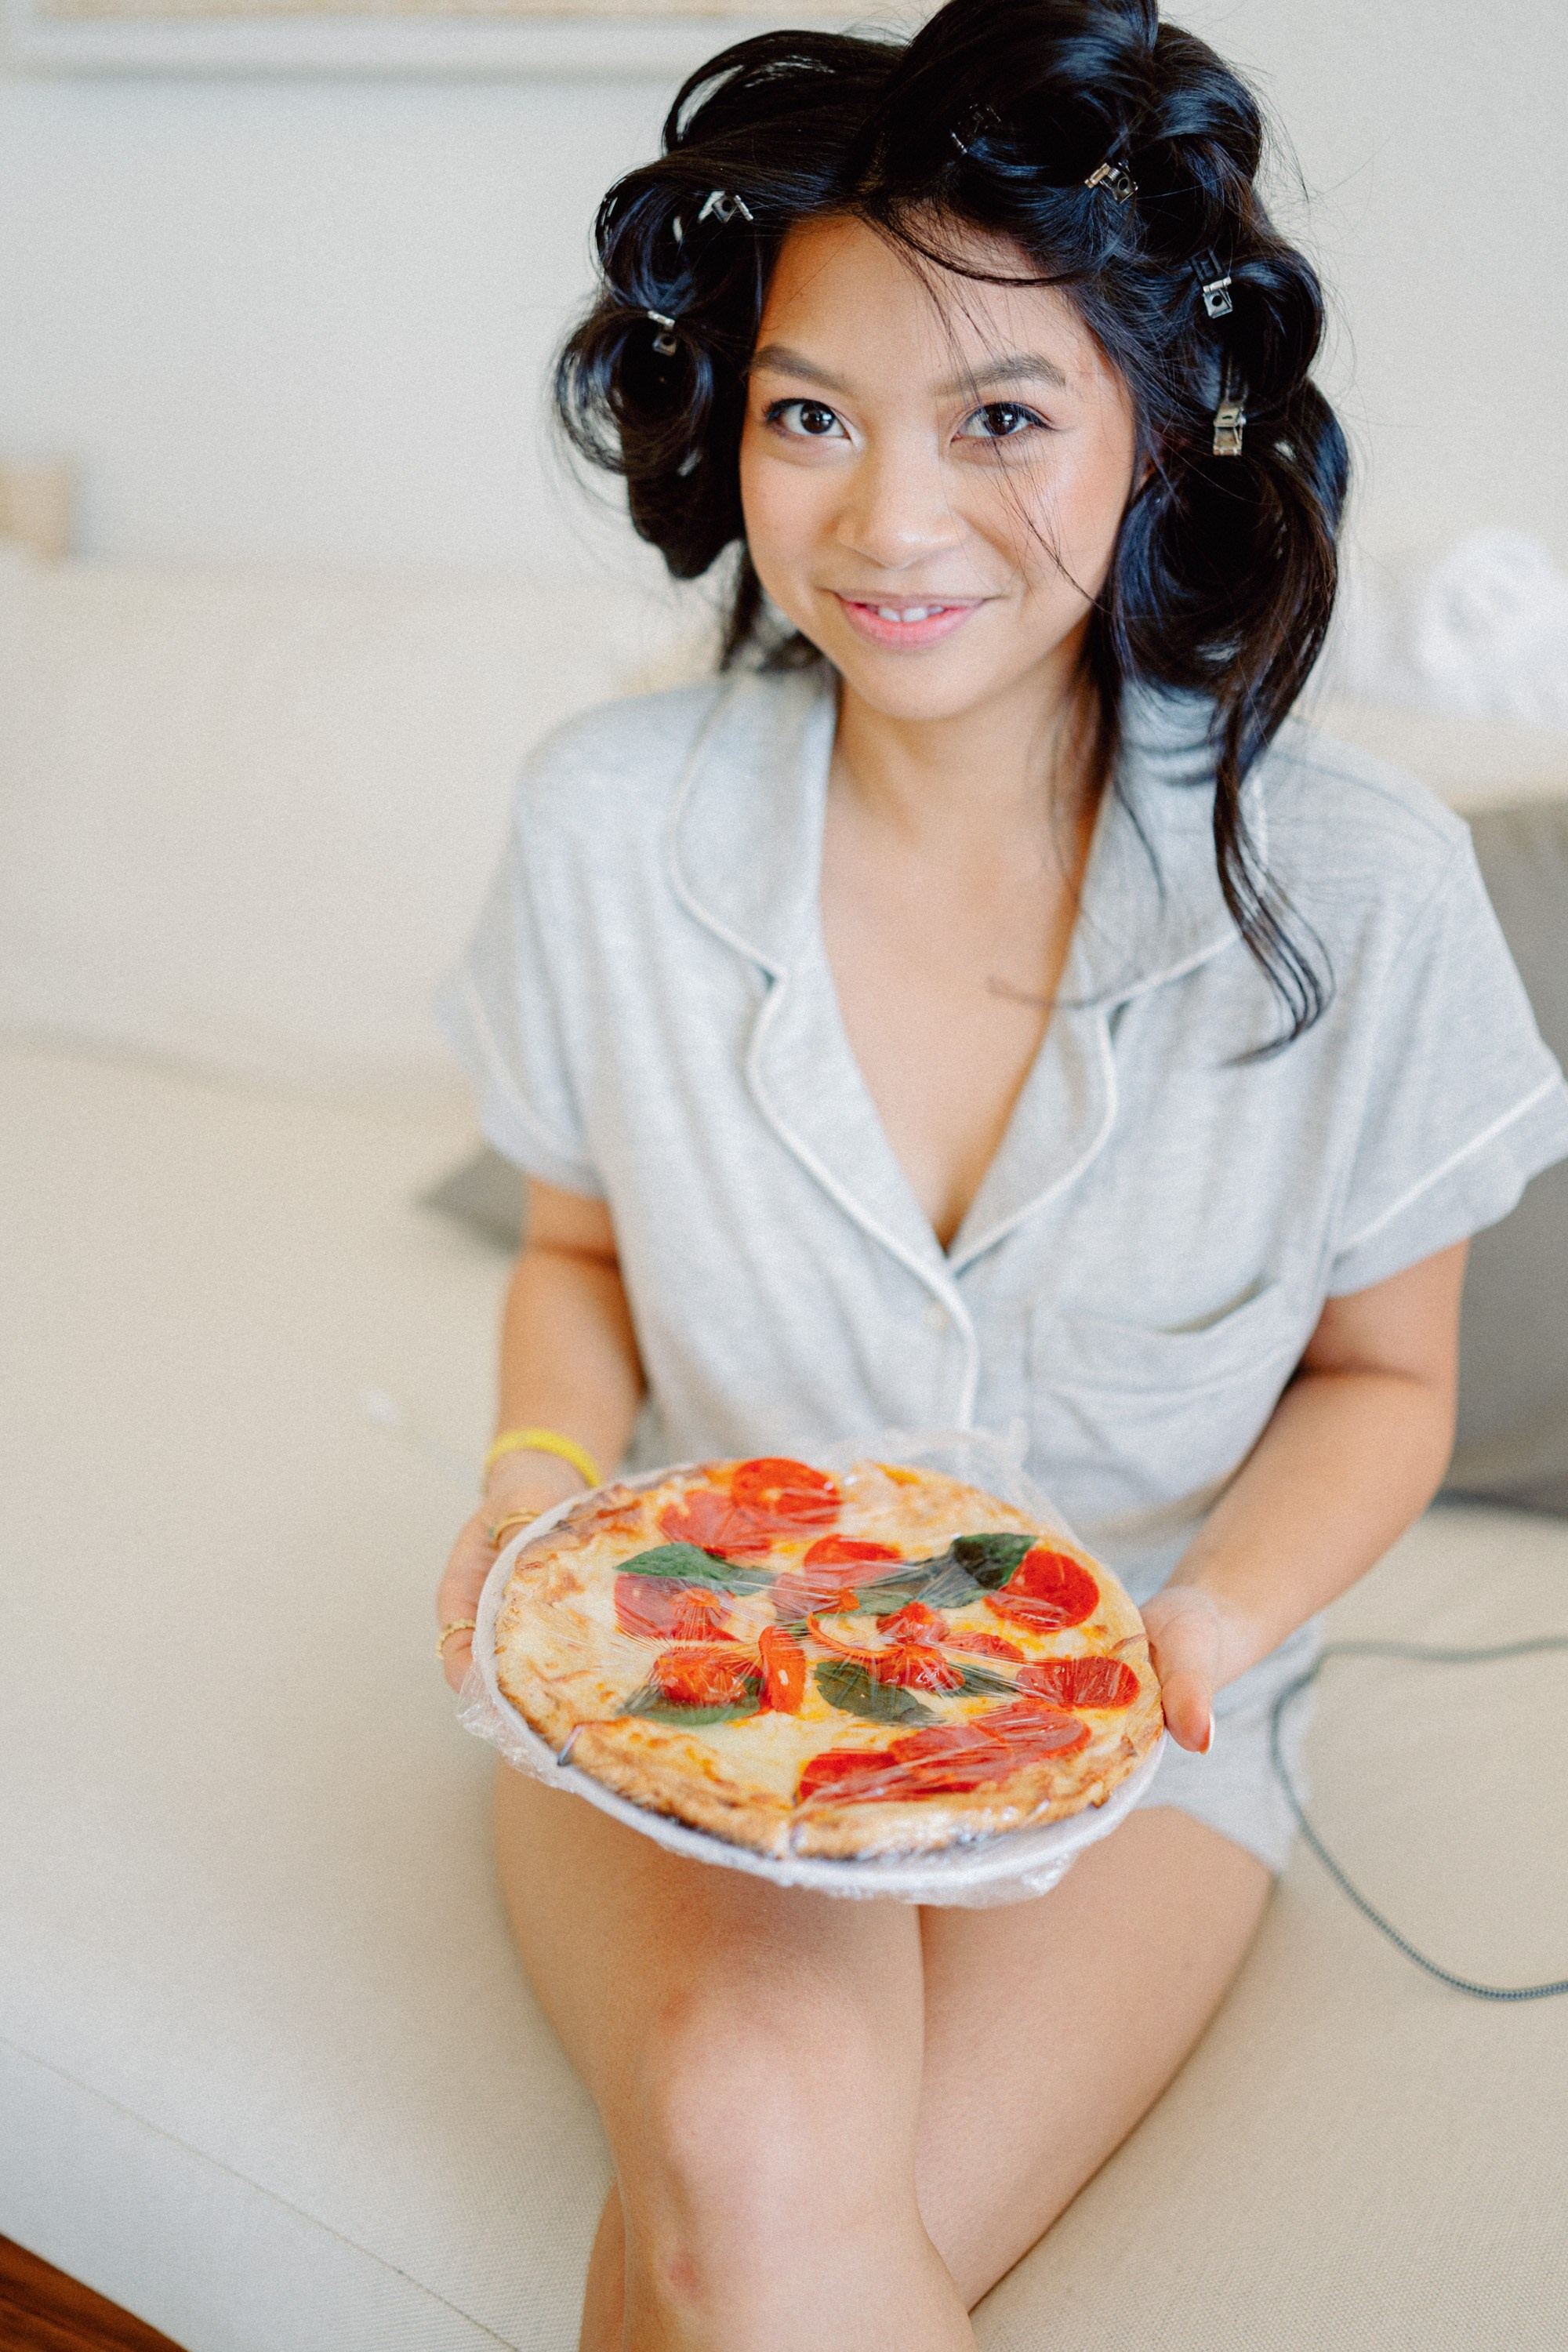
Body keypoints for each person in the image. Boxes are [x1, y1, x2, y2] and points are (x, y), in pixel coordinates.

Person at [436, 2, 1568, 2342]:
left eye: (1005, 419)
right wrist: (529, 1478)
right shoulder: (605, 828)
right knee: (752, 2128)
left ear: (1165, 424)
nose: (891, 522)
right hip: (692, 1655)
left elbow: (1383, 1382)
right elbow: (573, 1250)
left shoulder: (1361, 895)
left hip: (1141, 1712)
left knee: (738, 2240)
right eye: (812, 417)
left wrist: (1203, 1637)